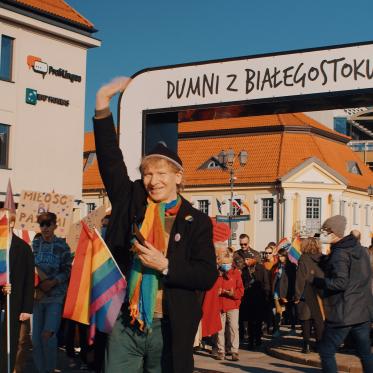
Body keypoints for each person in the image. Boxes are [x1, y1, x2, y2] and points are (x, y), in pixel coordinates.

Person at [94, 77, 218, 373]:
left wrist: (165, 265)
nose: (153, 180)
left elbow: (206, 275)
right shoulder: (132, 200)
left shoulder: (196, 221)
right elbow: (110, 160)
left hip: (169, 326)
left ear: (178, 177)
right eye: (148, 173)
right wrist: (102, 102)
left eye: (161, 172)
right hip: (128, 319)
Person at [313, 215, 373, 373]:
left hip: (344, 312)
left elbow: (341, 282)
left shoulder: (340, 253)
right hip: (362, 311)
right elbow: (357, 275)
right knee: (365, 354)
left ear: (334, 232)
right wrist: (326, 261)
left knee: (326, 351)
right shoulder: (361, 250)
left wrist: (319, 282)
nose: (322, 235)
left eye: (325, 231)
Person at [32, 211, 72, 373]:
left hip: (55, 297)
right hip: (37, 298)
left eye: (49, 224)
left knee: (48, 335)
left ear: (55, 225)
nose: (45, 227)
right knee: (35, 340)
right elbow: (28, 267)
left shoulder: (63, 246)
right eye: (42, 224)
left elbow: (68, 270)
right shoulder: (33, 245)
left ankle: (48, 370)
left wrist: (54, 282)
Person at [0, 209, 34, 373]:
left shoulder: (24, 248)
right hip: (1, 299)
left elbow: (29, 280)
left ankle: (7, 368)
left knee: (10, 341)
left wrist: (27, 308)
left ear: (12, 223)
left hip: (15, 302)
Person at [294, 237, 324, 354]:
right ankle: (320, 344)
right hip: (320, 292)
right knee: (318, 320)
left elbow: (300, 279)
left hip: (306, 292)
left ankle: (306, 345)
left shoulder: (303, 259)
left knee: (306, 319)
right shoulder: (323, 257)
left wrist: (297, 295)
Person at [214, 247, 243, 361]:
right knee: (219, 330)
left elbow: (241, 290)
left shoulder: (236, 273)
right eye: (224, 263)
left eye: (228, 263)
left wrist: (232, 293)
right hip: (220, 305)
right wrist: (217, 292)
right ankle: (221, 351)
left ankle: (234, 351)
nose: (226, 265)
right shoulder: (217, 273)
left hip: (232, 304)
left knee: (234, 328)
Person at [240, 251, 270, 349]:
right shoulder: (244, 270)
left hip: (259, 298)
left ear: (254, 259)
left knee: (258, 320)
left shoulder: (261, 268)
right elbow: (242, 283)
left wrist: (266, 296)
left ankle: (258, 339)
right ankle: (251, 340)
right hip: (248, 298)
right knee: (249, 321)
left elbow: (266, 283)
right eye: (245, 259)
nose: (246, 261)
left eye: (248, 259)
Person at [271, 248, 296, 337]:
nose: (281, 258)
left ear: (286, 256)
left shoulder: (291, 266)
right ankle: (277, 330)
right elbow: (275, 279)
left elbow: (292, 281)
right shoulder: (277, 266)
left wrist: (291, 294)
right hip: (277, 291)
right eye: (279, 256)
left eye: (282, 256)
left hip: (287, 292)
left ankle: (293, 328)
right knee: (277, 312)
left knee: (290, 310)